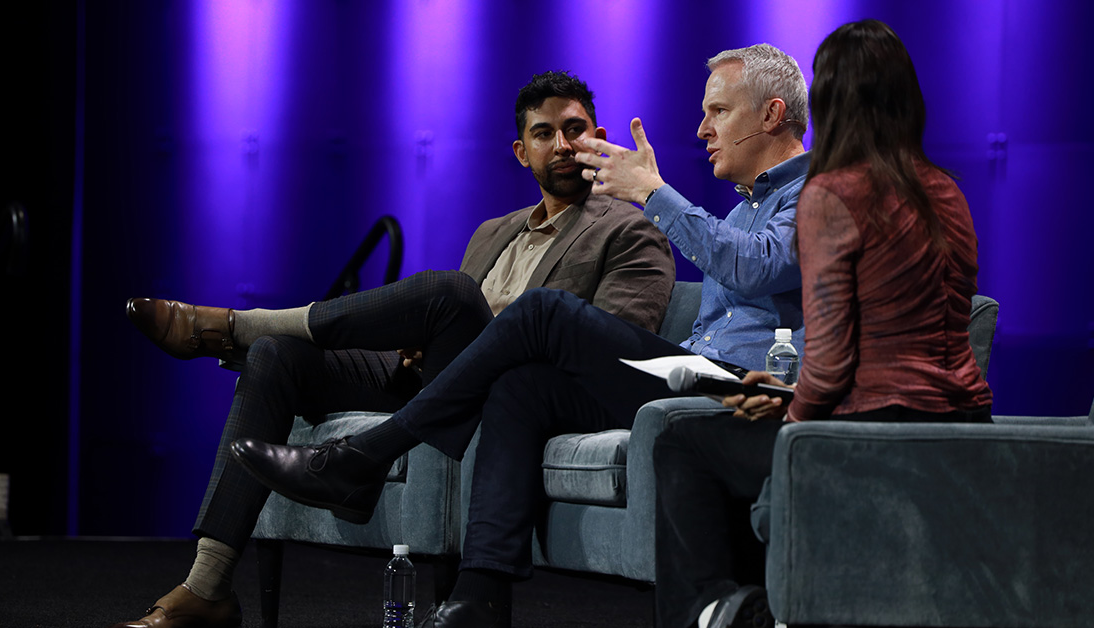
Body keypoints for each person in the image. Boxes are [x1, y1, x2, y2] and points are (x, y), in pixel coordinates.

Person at [231, 44, 811, 628]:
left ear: (770, 114)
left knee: (541, 312)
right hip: (690, 375)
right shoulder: (739, 213)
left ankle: (363, 455)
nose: (702, 127)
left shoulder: (816, 196)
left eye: (718, 111)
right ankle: (479, 594)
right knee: (520, 386)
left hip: (750, 386)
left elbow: (754, 266)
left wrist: (651, 192)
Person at [111, 71, 676, 628]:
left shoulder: (628, 229)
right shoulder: (492, 232)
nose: (562, 144)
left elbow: (605, 346)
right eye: (544, 133)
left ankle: (233, 325)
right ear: (521, 151)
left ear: (600, 136)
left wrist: (472, 333)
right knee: (277, 357)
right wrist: (423, 343)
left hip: (511, 390)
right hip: (435, 377)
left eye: (575, 130)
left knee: (450, 293)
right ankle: (207, 585)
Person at [651, 20, 995, 628]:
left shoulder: (832, 195)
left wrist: (794, 421)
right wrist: (786, 392)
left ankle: (716, 612)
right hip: (963, 423)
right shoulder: (947, 192)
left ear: (831, 103)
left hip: (865, 434)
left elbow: (834, 360)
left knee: (684, 440)